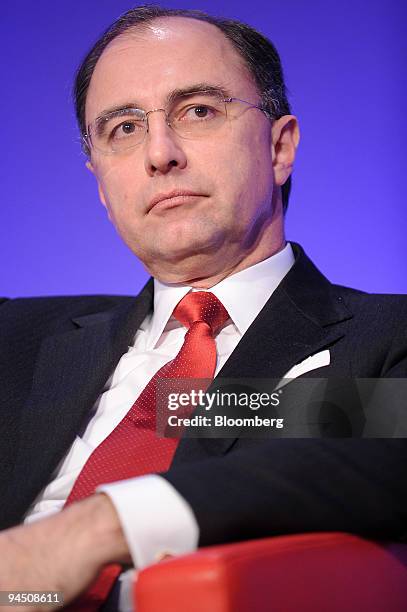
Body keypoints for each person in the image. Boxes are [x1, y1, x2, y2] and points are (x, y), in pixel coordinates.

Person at [0, 5, 406, 611]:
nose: (159, 154)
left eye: (198, 111)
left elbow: (374, 448)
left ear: (280, 147)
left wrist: (94, 528)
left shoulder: (380, 342)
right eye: (124, 129)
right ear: (101, 185)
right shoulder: (15, 336)